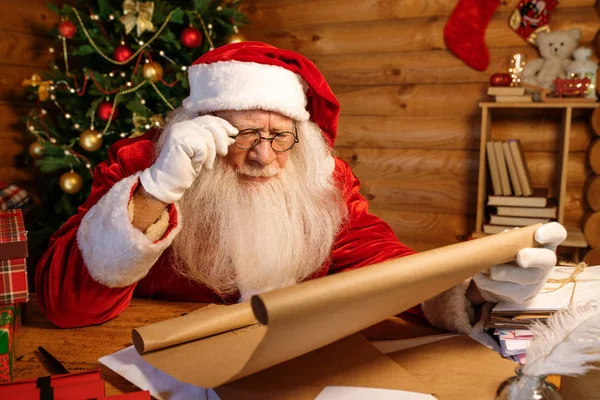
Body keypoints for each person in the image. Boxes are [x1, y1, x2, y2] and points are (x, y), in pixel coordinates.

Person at [35, 42, 566, 332]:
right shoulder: (140, 165)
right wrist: (156, 189)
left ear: (300, 133)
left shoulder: (320, 177)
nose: (264, 155)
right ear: (202, 127)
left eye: (279, 134)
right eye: (241, 134)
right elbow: (64, 306)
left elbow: (379, 262)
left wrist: (466, 290)